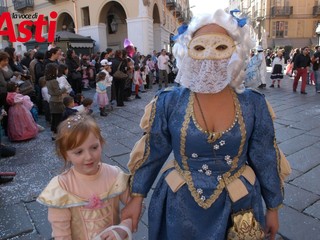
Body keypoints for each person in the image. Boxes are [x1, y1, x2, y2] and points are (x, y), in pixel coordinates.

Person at [122, 9, 284, 240]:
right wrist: (136, 197)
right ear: (186, 51)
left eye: (220, 47)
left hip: (239, 206)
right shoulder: (169, 102)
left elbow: (265, 157)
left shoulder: (253, 103)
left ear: (236, 51)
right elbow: (153, 151)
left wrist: (273, 208)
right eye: (200, 47)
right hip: (182, 209)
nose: (209, 55)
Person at [37, 115, 132, 240]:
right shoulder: (62, 188)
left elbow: (135, 205)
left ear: (101, 143)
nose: (88, 157)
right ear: (66, 155)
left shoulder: (114, 175)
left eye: (94, 147)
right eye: (78, 152)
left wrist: (123, 228)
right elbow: (62, 235)